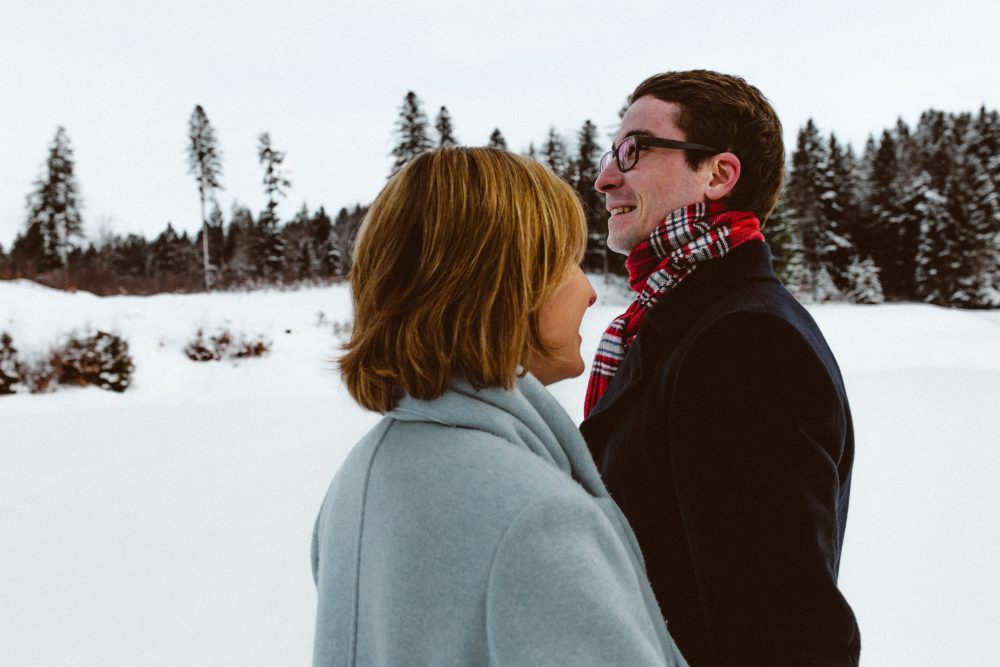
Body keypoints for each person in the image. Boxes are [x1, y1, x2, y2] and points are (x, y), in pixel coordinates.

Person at [311, 148, 688, 666]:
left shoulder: (362, 474)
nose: (588, 293)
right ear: (508, 284)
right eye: (568, 263)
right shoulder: (534, 517)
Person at [581, 70, 860, 665]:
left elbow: (787, 636)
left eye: (632, 150)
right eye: (611, 152)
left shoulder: (746, 344)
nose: (605, 177)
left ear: (718, 174)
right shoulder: (673, 325)